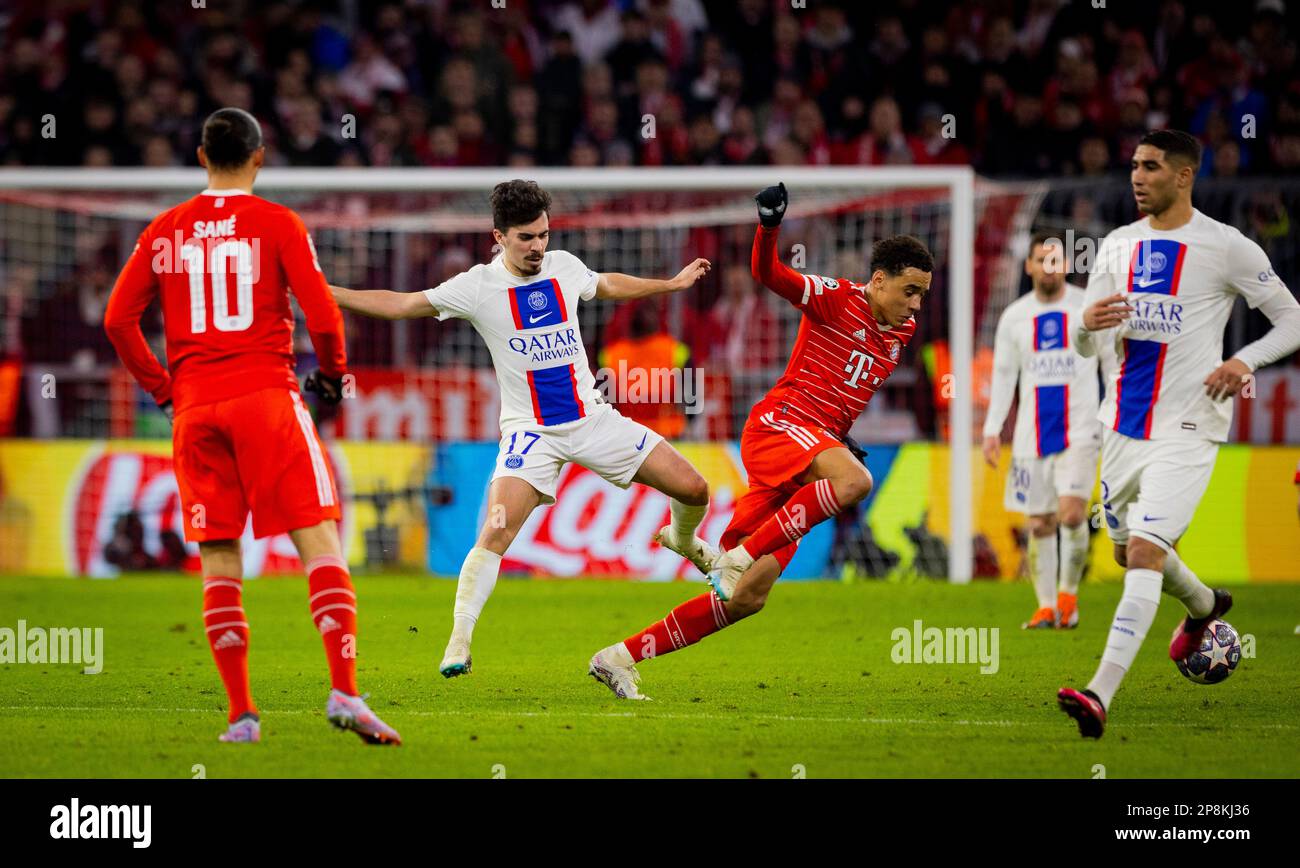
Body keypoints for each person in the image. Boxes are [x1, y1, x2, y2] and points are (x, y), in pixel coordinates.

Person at [329, 179, 716, 679]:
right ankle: (458, 641)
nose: (538, 247)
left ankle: (685, 543)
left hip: (593, 419)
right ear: (499, 237)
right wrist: (328, 293)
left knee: (694, 487)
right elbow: (402, 304)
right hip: (530, 433)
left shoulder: (564, 266)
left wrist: (670, 284)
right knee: (494, 532)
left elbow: (606, 283)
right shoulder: (476, 287)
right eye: (526, 238)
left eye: (543, 235)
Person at [103, 108, 400, 745]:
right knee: (319, 540)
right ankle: (345, 692)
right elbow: (322, 312)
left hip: (195, 409)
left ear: (202, 157)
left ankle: (242, 716)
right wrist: (332, 377)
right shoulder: (277, 223)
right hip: (266, 395)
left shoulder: (164, 230)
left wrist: (165, 391)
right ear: (259, 157)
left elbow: (117, 323)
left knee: (218, 556)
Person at [589, 182, 933, 699]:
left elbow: (843, 384)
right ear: (878, 280)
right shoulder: (837, 298)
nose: (917, 304)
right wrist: (769, 227)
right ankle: (736, 555)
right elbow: (769, 274)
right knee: (854, 481)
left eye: (924, 294)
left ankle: (618, 658)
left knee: (747, 598)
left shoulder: (900, 333)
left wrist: (840, 436)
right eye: (910, 291)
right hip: (779, 425)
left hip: (811, 446)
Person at [1058, 129, 1300, 738]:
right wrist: (1085, 325)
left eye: (1151, 167)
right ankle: (1204, 605)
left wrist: (1244, 361)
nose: (1137, 177)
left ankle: (1098, 695)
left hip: (1190, 426)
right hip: (1122, 424)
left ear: (1185, 175)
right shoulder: (1117, 245)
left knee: (1143, 552)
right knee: (1122, 551)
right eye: (1134, 165)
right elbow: (1089, 341)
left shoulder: (1226, 247)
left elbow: (1293, 319)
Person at [982, 232, 1101, 629]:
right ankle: (1046, 605)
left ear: (1066, 265)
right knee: (1038, 523)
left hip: (1081, 428)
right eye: (1041, 260)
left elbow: (1111, 361)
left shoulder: (1086, 307)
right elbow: (1004, 375)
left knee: (1070, 514)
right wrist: (992, 428)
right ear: (1029, 266)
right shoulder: (1015, 316)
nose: (1049, 267)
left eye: (1056, 260)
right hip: (1033, 433)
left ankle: (1069, 597)